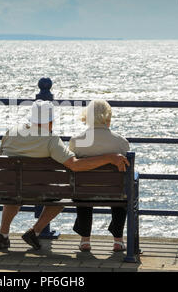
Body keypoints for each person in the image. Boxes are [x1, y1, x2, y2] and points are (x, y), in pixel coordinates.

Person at [0, 100, 129, 250]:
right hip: (37, 192)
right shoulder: (51, 141)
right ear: (50, 122)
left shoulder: (11, 132)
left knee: (14, 188)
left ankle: (2, 235)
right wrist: (109, 157)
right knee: (62, 198)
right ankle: (35, 231)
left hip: (7, 189)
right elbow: (75, 165)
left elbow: (0, 158)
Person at [69, 100, 130, 252]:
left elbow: (72, 165)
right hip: (113, 193)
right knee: (122, 191)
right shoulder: (121, 142)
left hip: (83, 193)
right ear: (108, 117)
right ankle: (118, 240)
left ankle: (85, 241)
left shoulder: (76, 141)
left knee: (83, 188)